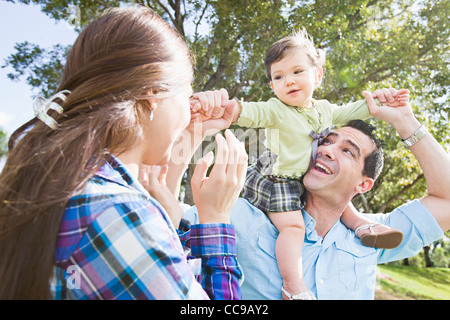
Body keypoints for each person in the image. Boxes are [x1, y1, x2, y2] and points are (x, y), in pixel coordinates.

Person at [0, 7, 248, 300]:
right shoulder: (116, 212)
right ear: (154, 91)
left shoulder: (68, 183)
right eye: (187, 90)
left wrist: (184, 140)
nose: (190, 105)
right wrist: (215, 219)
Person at [192, 29, 404, 299]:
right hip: (277, 180)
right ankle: (293, 286)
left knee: (337, 197)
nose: (288, 81)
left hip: (300, 177)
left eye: (297, 72)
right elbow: (250, 112)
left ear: (317, 75)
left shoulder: (324, 109)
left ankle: (362, 225)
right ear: (272, 86)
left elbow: (352, 111)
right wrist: (226, 108)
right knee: (293, 228)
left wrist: (379, 100)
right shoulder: (277, 109)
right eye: (279, 77)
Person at [184, 87, 450, 299]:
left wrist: (405, 121)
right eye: (326, 141)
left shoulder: (374, 236)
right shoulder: (240, 215)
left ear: (363, 185)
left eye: (348, 151)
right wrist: (193, 129)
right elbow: (164, 219)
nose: (326, 149)